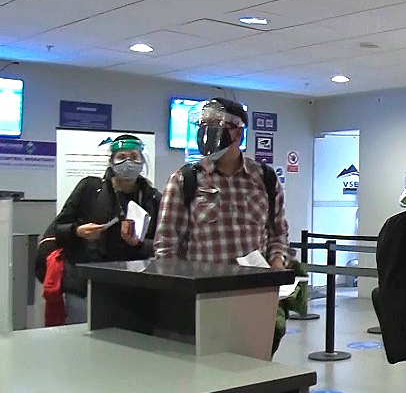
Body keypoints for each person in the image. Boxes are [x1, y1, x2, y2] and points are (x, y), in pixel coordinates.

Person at [36, 135, 162, 324]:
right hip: (86, 287)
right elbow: (57, 231)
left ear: (142, 161)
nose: (128, 162)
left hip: (133, 293)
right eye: (121, 156)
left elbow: (162, 248)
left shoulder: (153, 199)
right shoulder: (89, 188)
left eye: (134, 156)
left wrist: (138, 243)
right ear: (111, 161)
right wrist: (78, 231)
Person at [153, 98, 290, 269]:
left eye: (215, 124)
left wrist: (277, 263)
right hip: (204, 290)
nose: (206, 132)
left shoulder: (265, 178)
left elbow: (279, 235)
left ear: (238, 134)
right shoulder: (183, 180)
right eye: (202, 125)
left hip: (255, 289)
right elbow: (166, 246)